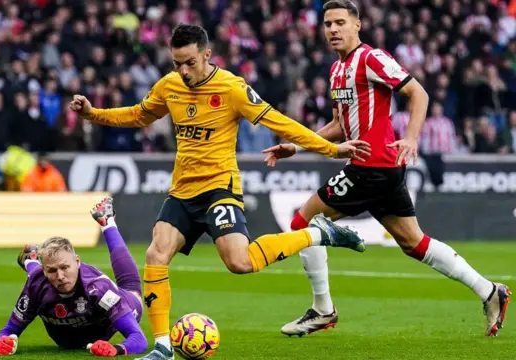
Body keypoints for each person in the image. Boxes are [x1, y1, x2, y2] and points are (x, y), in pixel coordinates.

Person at [70, 23, 372, 360]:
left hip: (219, 188)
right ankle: (162, 346)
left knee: (240, 263)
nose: (183, 71)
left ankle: (316, 234)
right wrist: (93, 114)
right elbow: (140, 115)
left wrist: (333, 149)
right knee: (156, 255)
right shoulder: (170, 85)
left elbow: (281, 123)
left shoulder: (232, 88)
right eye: (177, 64)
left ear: (207, 55)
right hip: (182, 191)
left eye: (190, 63)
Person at [262, 0, 511, 338]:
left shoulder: (371, 58)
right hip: (378, 168)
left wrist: (410, 138)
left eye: (339, 22)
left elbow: (418, 93)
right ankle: (489, 291)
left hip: (372, 164)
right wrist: (297, 145)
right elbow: (338, 124)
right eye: (327, 24)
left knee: (301, 222)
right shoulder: (337, 70)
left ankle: (323, 309)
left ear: (357, 25)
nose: (332, 29)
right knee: (414, 242)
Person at [0, 197, 147, 357]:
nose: (60, 276)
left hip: (107, 322)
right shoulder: (36, 284)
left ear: (77, 262)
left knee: (132, 289)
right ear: (44, 270)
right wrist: (3, 341)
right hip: (64, 338)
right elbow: (9, 330)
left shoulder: (98, 288)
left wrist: (117, 349)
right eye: (52, 270)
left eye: (65, 267)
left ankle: (107, 222)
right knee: (37, 277)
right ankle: (31, 261)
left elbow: (139, 339)